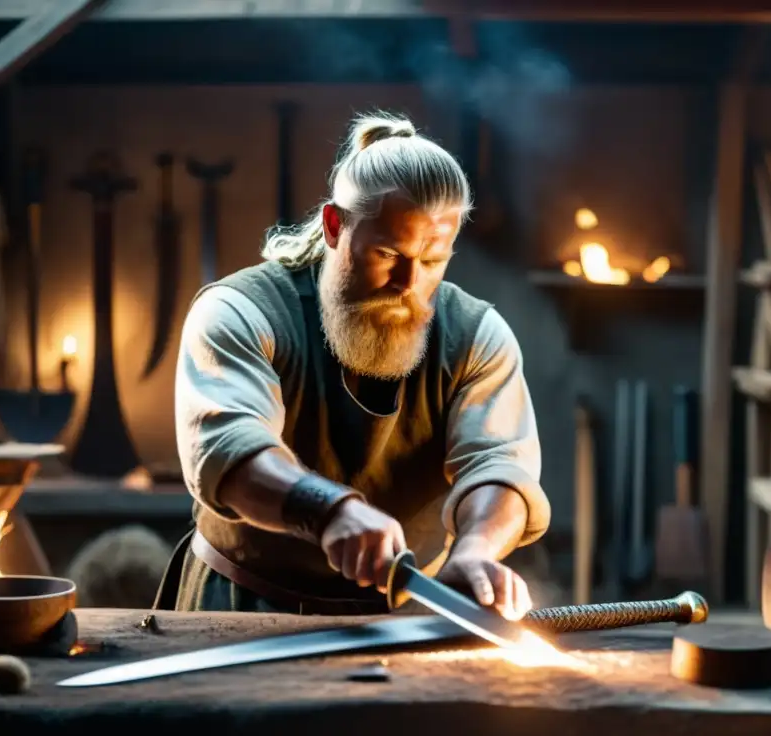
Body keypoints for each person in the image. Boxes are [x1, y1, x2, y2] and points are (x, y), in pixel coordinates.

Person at [154, 112, 550, 621]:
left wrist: (475, 551)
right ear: (335, 226)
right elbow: (229, 450)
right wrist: (327, 509)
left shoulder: (475, 335)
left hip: (401, 620)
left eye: (432, 261)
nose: (408, 282)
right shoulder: (240, 312)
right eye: (388, 252)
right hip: (239, 611)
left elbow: (500, 465)